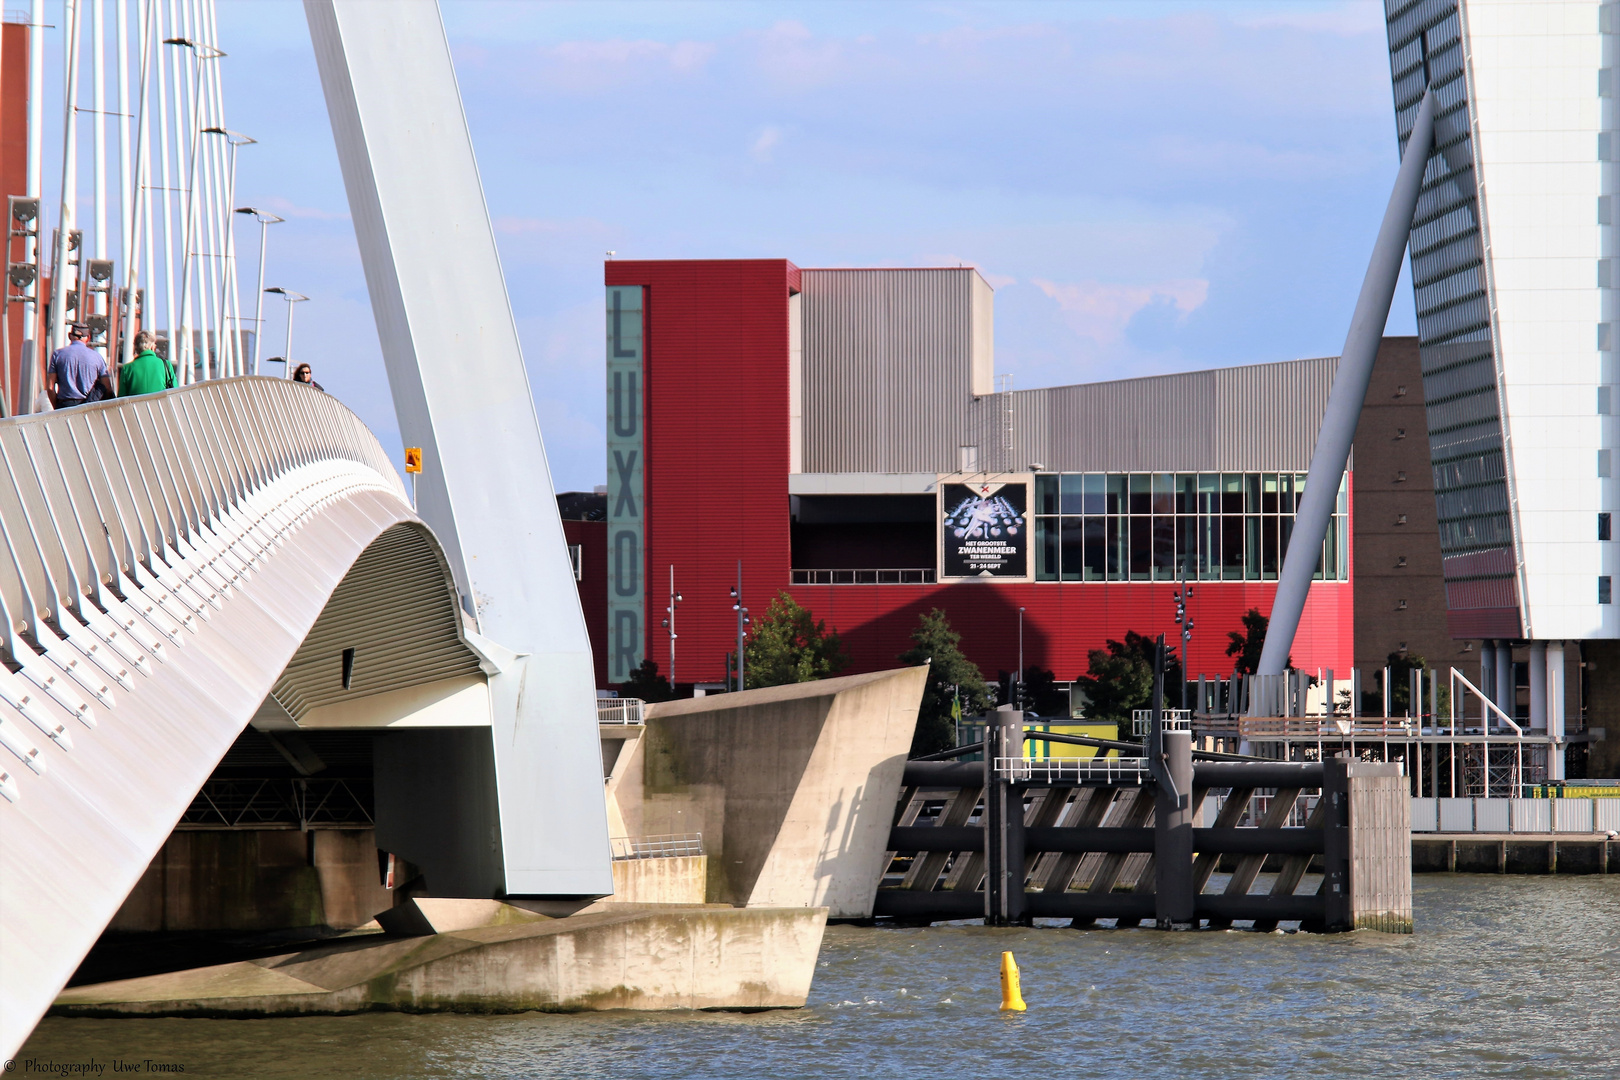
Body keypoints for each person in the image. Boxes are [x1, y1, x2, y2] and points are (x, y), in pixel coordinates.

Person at [46, 324, 113, 408]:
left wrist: (56, 407)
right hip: (89, 405)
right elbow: (107, 386)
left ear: (69, 336)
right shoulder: (97, 357)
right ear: (88, 338)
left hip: (64, 404)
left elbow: (50, 387)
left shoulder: (57, 355)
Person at [118, 331, 175, 397]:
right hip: (160, 406)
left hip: (135, 406)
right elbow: (175, 391)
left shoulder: (127, 369)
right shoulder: (166, 365)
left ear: (136, 348)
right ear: (152, 347)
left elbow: (121, 399)